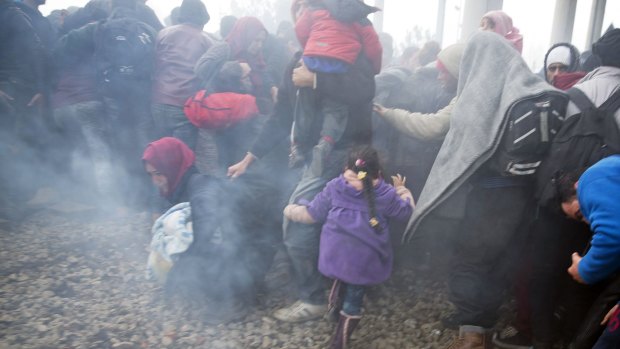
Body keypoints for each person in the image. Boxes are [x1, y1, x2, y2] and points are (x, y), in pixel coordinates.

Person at [402, 31, 561, 348]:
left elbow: (461, 151)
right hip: (528, 194)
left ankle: (472, 335)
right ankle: (484, 323)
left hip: (490, 195)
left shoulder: (482, 95)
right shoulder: (537, 89)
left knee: (468, 260)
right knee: (503, 259)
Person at [227, 49, 375, 323]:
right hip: (310, 156)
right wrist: (250, 157)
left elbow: (364, 91)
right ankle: (322, 289)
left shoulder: (349, 56)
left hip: (344, 156)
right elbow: (281, 115)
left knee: (305, 223)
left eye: (309, 7)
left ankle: (315, 299)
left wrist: (317, 81)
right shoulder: (296, 60)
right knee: (302, 219)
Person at [283, 146, 414, 349]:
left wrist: (291, 210)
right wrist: (402, 190)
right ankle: (339, 341)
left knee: (342, 275)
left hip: (335, 254)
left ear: (346, 167)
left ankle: (335, 310)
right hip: (364, 260)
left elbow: (312, 214)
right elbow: (405, 213)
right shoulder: (385, 193)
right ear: (378, 172)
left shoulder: (336, 186)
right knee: (354, 294)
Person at [142, 137, 275, 323]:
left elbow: (206, 235)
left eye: (158, 173)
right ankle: (247, 281)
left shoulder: (200, 186)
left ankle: (237, 299)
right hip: (255, 241)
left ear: (172, 166)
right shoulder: (188, 184)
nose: (155, 180)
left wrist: (178, 269)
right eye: (150, 175)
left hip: (259, 243)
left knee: (198, 254)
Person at [288, 0, 382, 168]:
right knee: (335, 109)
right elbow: (375, 48)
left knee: (304, 103)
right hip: (341, 62)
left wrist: (310, 49)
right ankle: (326, 142)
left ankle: (298, 147)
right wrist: (376, 67)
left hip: (347, 146)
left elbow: (365, 88)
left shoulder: (314, 11)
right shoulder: (358, 18)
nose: (301, 10)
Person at [151, 0, 213, 150]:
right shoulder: (207, 41)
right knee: (182, 158)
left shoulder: (163, 34)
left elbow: (154, 63)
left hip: (158, 102)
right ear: (203, 19)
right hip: (184, 106)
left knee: (162, 154)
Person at [373, 43, 464, 141]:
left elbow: (435, 126)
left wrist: (388, 113)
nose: (439, 77)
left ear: (457, 71)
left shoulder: (466, 100)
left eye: (444, 72)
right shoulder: (462, 95)